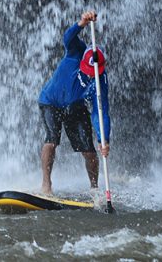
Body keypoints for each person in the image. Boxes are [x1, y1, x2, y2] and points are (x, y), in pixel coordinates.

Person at [38, 10, 111, 195]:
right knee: (51, 140)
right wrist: (81, 23)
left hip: (75, 107)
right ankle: (46, 185)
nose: (88, 74)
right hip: (51, 101)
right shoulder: (76, 50)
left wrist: (104, 139)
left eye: (92, 71)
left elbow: (100, 112)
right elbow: (68, 38)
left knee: (89, 150)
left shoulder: (100, 81)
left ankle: (94, 189)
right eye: (86, 69)